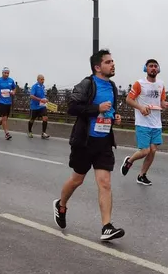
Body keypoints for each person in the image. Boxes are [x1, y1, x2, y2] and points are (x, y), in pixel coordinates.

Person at [53, 49, 124, 241]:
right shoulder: (87, 84)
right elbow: (72, 108)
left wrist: (114, 117)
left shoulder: (112, 87)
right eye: (108, 62)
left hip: (103, 142)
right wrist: (96, 109)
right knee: (77, 180)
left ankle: (106, 227)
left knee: (105, 183)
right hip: (84, 141)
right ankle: (61, 204)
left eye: (113, 61)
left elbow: (108, 111)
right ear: (97, 67)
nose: (112, 64)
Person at [120, 59, 168, 186]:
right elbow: (128, 99)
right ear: (145, 69)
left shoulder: (161, 84)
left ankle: (142, 175)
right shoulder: (139, 84)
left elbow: (161, 101)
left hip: (156, 123)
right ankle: (129, 161)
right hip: (143, 123)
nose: (153, 68)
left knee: (153, 151)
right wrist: (141, 107)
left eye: (155, 66)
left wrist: (165, 104)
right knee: (145, 151)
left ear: (158, 69)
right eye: (150, 66)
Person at [0, 67, 16, 140]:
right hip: (1, 102)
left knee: (4, 118)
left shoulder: (11, 80)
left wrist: (13, 92)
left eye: (7, 73)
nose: (6, 74)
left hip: (8, 102)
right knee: (4, 118)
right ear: (2, 73)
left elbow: (14, 88)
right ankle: (7, 133)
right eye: (5, 73)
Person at [28, 74, 50, 139]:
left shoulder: (43, 86)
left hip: (42, 106)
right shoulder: (34, 86)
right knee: (32, 120)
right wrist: (40, 100)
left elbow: (43, 96)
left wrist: (45, 99)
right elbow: (31, 96)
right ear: (38, 79)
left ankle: (43, 133)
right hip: (34, 106)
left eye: (43, 79)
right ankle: (29, 131)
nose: (43, 81)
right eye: (41, 79)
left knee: (45, 118)